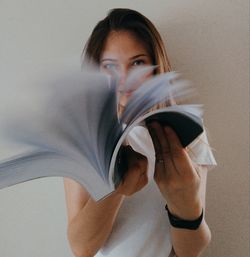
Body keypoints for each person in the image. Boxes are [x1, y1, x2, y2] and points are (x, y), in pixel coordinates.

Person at [64, 8, 217, 257]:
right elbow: (81, 248)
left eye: (137, 63)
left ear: (156, 66)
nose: (125, 79)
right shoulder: (84, 136)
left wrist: (185, 204)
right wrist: (118, 188)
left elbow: (190, 250)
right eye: (110, 66)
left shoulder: (187, 132)